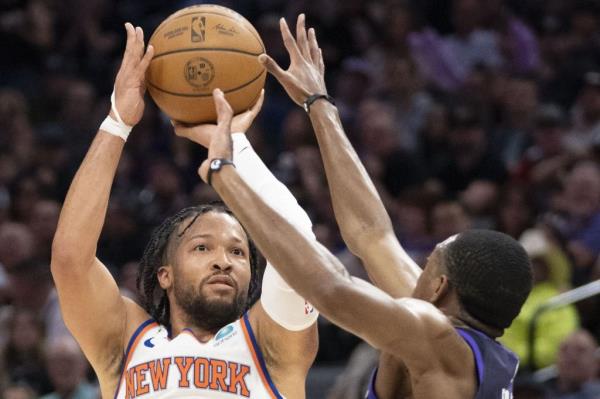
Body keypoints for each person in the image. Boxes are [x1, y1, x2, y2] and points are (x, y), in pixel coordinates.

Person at [196, 14, 533, 399]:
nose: (417, 269)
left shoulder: (436, 336)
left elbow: (329, 288)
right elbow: (372, 236)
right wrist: (318, 103)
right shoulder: (457, 336)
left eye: (429, 264)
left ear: (440, 286)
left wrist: (224, 174)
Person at [51, 23, 319, 399]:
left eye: (238, 252)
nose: (223, 261)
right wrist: (117, 121)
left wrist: (235, 146)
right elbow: (70, 260)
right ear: (165, 275)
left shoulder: (270, 343)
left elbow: (301, 252)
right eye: (202, 248)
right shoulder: (127, 342)